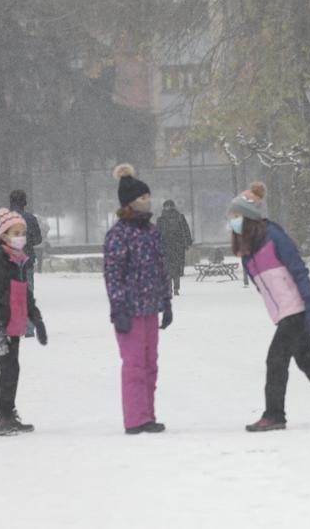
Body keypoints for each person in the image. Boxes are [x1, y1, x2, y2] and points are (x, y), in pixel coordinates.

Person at [232, 182, 310, 432]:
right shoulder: (249, 248)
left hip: (296, 309)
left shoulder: (274, 237)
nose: (233, 221)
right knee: (307, 361)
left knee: (276, 360)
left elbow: (299, 272)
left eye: (237, 216)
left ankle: (274, 415)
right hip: (285, 313)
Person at [103, 164, 173, 434]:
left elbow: (160, 267)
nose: (148, 202)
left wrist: (166, 301)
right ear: (130, 202)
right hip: (130, 311)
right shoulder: (119, 235)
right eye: (142, 198)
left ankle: (148, 415)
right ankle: (135, 418)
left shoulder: (152, 231)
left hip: (150, 308)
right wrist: (118, 307)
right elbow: (113, 274)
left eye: (148, 197)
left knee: (150, 364)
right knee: (134, 366)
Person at [0, 208, 48, 436]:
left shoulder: (17, 260)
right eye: (15, 232)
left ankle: (9, 413)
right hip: (0, 323)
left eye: (23, 232)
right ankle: (2, 418)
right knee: (8, 368)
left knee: (12, 369)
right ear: (4, 235)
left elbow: (24, 294)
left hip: (14, 324)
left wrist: (36, 319)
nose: (21, 236)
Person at [156, 200, 193, 296]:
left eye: (168, 206)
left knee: (171, 269)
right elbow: (185, 230)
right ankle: (173, 288)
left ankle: (173, 289)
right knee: (172, 269)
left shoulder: (166, 219)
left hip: (171, 247)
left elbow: (185, 229)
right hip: (173, 246)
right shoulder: (174, 218)